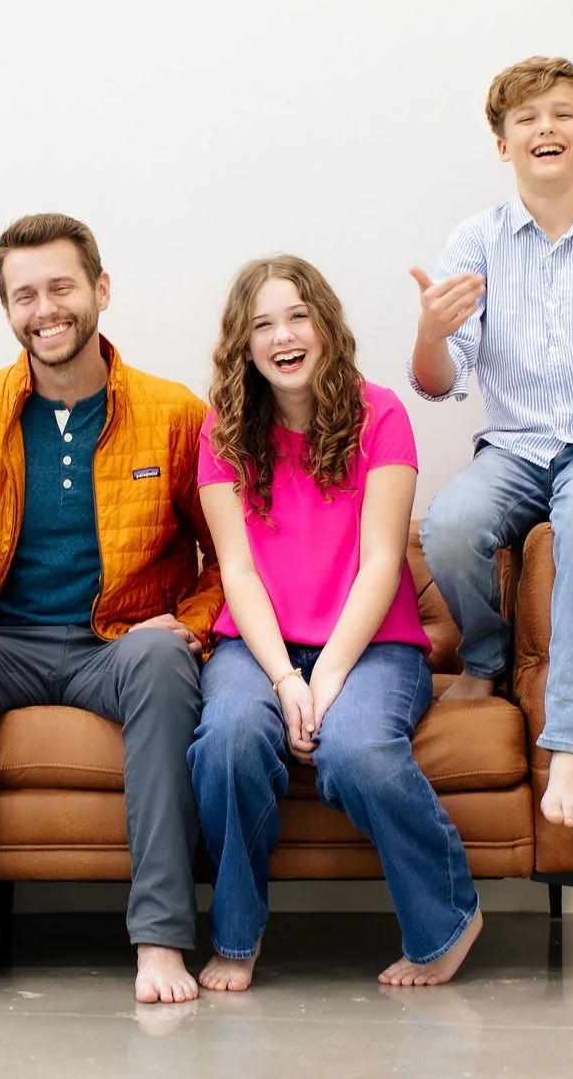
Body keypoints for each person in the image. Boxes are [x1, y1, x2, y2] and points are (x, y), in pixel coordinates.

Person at [0, 213, 219, 1004]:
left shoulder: (175, 413)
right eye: (25, 294)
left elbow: (232, 556)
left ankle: (160, 939)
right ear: (7, 308)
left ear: (101, 290)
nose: (45, 309)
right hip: (2, 640)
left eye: (61, 287)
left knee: (163, 657)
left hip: (121, 643)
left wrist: (191, 621)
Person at [191, 255, 483, 991]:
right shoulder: (222, 432)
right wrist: (285, 678)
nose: (283, 337)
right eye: (263, 325)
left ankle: (449, 919)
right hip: (256, 645)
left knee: (356, 751)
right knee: (228, 738)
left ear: (324, 324)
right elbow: (238, 572)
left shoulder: (381, 414)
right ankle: (236, 936)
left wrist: (325, 675)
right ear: (244, 345)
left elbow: (382, 561)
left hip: (373, 643)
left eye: (297, 317)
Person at [409, 58, 573, 829]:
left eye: (562, 114)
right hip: (514, 447)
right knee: (450, 524)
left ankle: (570, 746)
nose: (545, 128)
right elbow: (438, 381)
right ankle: (487, 658)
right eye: (526, 119)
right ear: (504, 145)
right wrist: (430, 331)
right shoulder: (476, 239)